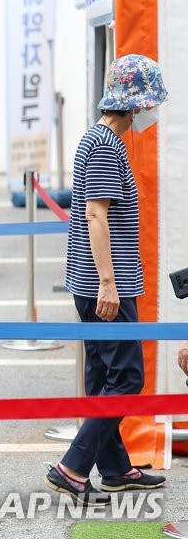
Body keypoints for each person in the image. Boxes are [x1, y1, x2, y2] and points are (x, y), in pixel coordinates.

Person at [45, 54, 169, 505]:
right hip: (104, 281)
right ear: (134, 105)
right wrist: (109, 283)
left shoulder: (99, 140)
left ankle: (115, 469)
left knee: (104, 375)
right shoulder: (104, 146)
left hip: (94, 278)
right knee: (128, 377)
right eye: (150, 104)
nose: (153, 113)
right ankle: (73, 467)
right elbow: (97, 216)